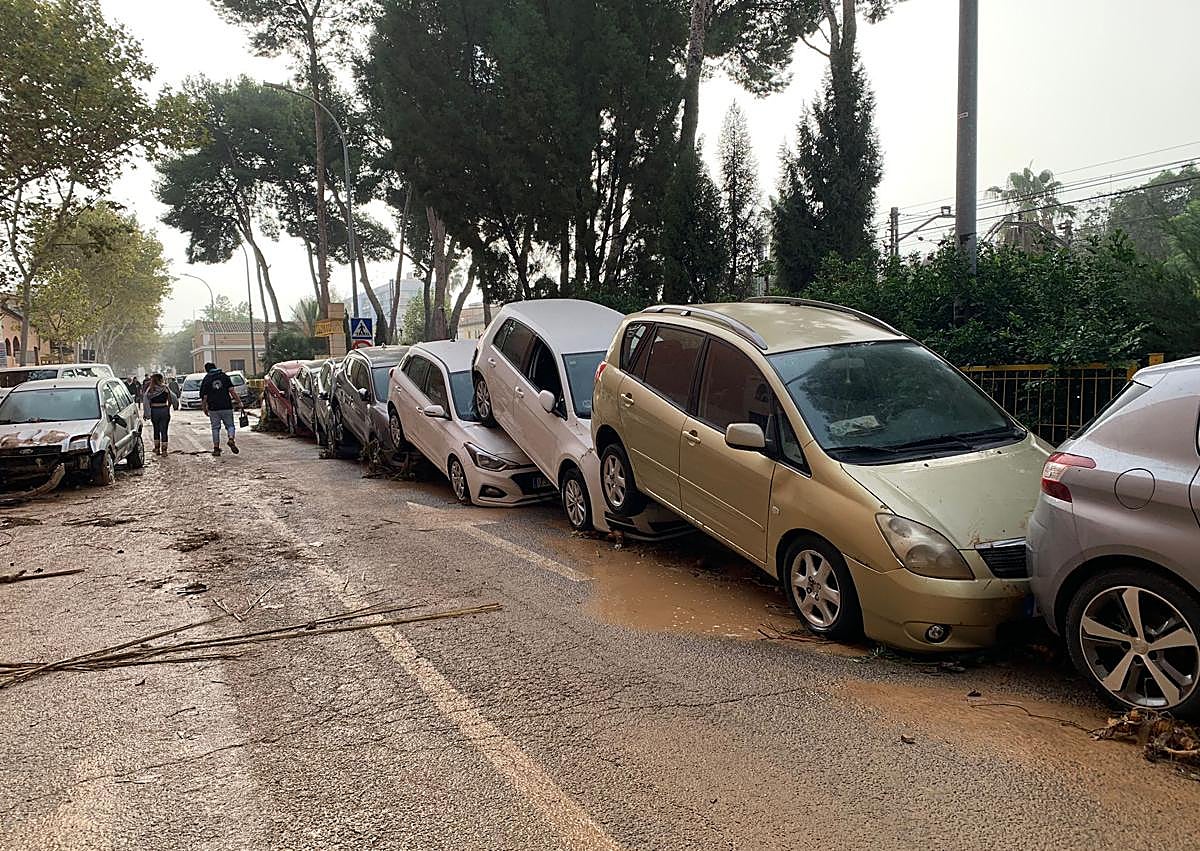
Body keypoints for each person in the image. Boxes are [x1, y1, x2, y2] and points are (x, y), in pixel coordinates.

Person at [199, 361, 243, 457]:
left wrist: (204, 408)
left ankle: (216, 449)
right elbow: (232, 391)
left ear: (207, 370)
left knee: (215, 428)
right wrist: (239, 402)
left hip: (213, 407)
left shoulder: (207, 379)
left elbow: (204, 397)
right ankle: (231, 438)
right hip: (226, 405)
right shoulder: (224, 376)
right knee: (230, 425)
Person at [142, 373, 178, 456]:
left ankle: (157, 449)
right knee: (164, 430)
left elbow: (146, 401)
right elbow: (171, 399)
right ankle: (164, 451)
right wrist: (167, 408)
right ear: (161, 379)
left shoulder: (150, 390)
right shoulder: (165, 388)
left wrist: (147, 413)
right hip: (164, 410)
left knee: (156, 430)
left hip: (154, 411)